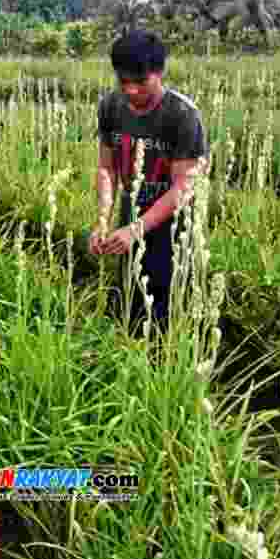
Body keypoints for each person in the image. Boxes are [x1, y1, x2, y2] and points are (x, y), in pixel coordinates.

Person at [89, 29, 209, 336]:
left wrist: (138, 228)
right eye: (123, 81)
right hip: (131, 211)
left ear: (160, 73)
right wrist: (103, 219)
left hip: (173, 224)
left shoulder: (182, 115)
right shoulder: (110, 107)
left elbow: (184, 186)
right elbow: (107, 169)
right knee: (129, 298)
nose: (131, 91)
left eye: (140, 82)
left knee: (167, 304)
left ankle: (166, 366)